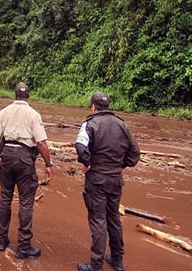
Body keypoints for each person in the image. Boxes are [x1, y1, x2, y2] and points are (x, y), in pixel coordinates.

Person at [75, 92, 140, 271]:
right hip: (115, 179)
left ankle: (96, 265)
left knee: (98, 220)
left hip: (96, 179)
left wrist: (87, 163)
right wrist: (120, 165)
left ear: (93, 107)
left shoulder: (89, 124)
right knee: (113, 219)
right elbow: (135, 154)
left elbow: (80, 146)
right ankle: (117, 260)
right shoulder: (122, 125)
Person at [0, 82, 53, 259]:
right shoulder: (33, 114)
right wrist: (48, 165)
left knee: (5, 197)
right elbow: (41, 143)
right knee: (26, 201)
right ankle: (24, 247)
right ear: (28, 96)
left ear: (15, 95)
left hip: (7, 154)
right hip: (25, 157)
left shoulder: (4, 112)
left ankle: (2, 241)